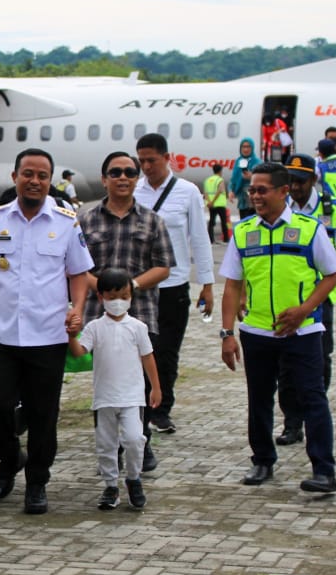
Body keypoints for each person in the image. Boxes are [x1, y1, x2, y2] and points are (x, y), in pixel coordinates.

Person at [0, 148, 94, 515]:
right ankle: (10, 461)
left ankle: (37, 481)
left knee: (43, 414)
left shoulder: (66, 222)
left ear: (50, 181)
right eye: (28, 174)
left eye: (42, 176)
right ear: (15, 177)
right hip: (3, 334)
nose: (35, 181)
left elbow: (79, 273)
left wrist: (77, 308)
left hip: (48, 335)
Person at [219, 162, 336, 493]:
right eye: (252, 191)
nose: (255, 197)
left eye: (262, 190)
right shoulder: (243, 231)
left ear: (284, 191)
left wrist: (304, 310)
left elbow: (332, 275)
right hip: (257, 332)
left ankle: (324, 471)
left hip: (302, 332)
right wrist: (227, 334)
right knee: (259, 398)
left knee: (312, 397)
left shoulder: (309, 229)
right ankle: (262, 460)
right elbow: (232, 286)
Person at [80, 151, 174, 461]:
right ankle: (109, 448)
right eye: (116, 172)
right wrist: (105, 291)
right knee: (106, 380)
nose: (123, 177)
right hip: (99, 315)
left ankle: (141, 442)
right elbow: (76, 266)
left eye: (130, 172)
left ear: (137, 178)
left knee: (141, 380)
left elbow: (163, 266)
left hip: (141, 313)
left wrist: (129, 287)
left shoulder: (152, 221)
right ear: (104, 179)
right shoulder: (86, 220)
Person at [275, 154, 336, 446]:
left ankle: (313, 411)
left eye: (301, 181)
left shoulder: (333, 210)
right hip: (287, 299)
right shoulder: (280, 208)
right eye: (290, 181)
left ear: (314, 180)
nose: (295, 187)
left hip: (321, 301)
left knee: (319, 361)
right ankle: (292, 423)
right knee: (286, 365)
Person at [134, 133, 215, 444]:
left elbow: (200, 238)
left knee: (167, 351)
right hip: (142, 285)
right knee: (142, 349)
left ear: (167, 158)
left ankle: (162, 408)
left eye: (152, 160)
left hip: (174, 284)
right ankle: (140, 405)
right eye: (141, 161)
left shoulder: (187, 192)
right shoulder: (135, 191)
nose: (146, 167)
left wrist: (207, 283)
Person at [69, 268, 162, 511]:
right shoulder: (94, 328)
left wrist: (155, 387)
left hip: (132, 396)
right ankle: (111, 485)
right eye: (112, 297)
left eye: (123, 296)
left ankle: (134, 478)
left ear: (131, 296)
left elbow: (148, 357)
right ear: (101, 297)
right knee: (106, 444)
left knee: (134, 439)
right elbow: (80, 352)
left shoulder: (138, 327)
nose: (118, 302)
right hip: (105, 397)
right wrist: (71, 337)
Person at [229, 137, 260, 220]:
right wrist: (231, 190)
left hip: (254, 200)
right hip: (242, 200)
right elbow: (234, 178)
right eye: (243, 147)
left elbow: (263, 178)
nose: (245, 149)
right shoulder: (238, 161)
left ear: (252, 148)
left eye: (248, 147)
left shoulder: (257, 162)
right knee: (243, 221)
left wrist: (252, 177)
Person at [203, 164, 229, 243]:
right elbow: (220, 190)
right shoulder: (220, 180)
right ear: (220, 171)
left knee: (211, 222)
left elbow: (205, 192)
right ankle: (226, 239)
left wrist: (209, 202)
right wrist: (213, 201)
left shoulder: (207, 180)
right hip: (220, 204)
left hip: (211, 205)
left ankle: (211, 239)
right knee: (223, 222)